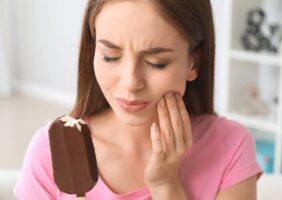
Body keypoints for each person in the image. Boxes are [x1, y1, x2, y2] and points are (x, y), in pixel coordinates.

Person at [14, 0, 263, 199]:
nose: (131, 82)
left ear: (193, 63)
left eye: (157, 62)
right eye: (110, 56)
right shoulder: (51, 150)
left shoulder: (231, 146)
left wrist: (166, 186)